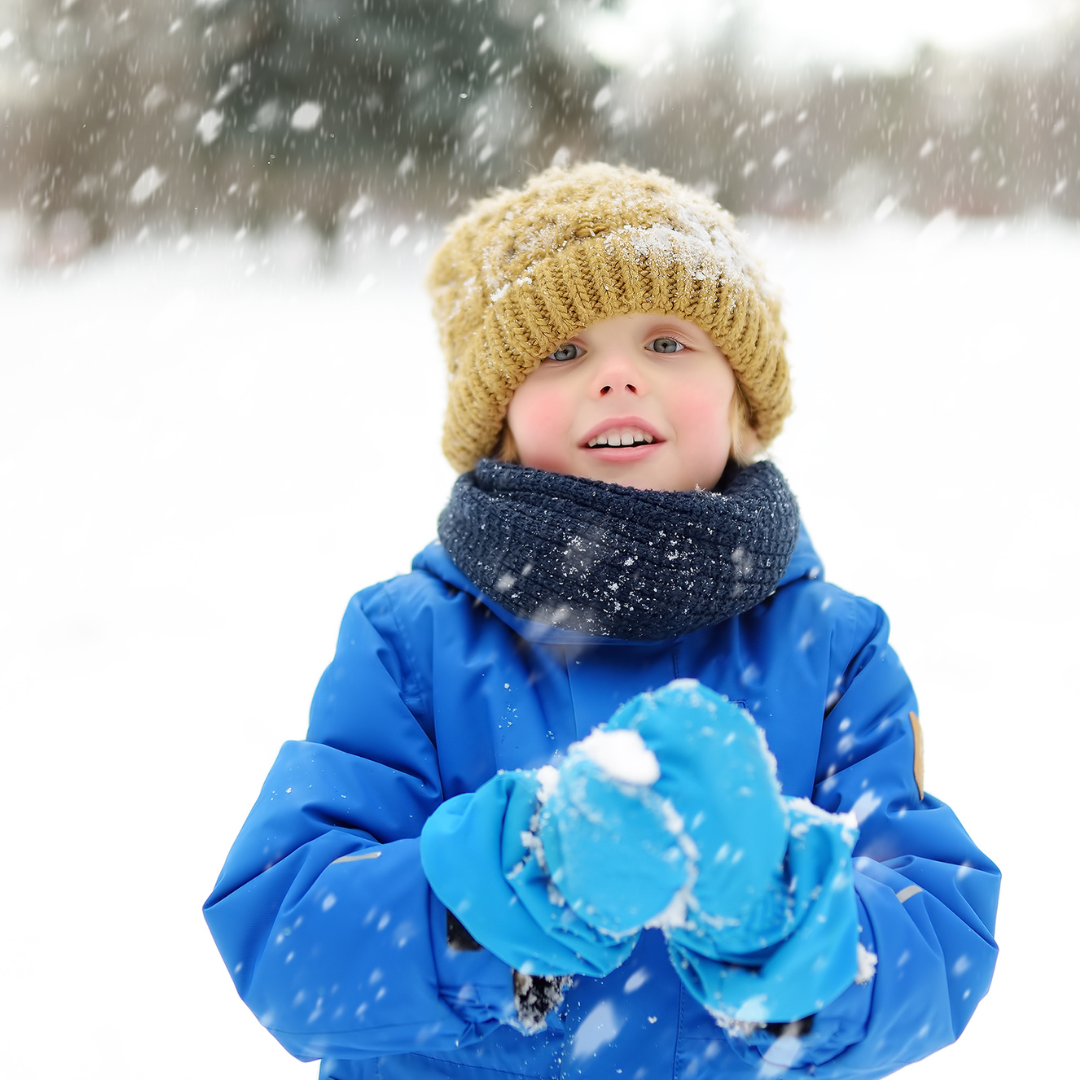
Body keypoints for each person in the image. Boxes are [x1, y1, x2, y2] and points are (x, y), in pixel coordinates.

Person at [203, 163, 999, 1080]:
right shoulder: (407, 643)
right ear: (498, 418)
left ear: (742, 402)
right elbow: (289, 945)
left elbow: (937, 945)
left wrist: (781, 921)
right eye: (562, 350)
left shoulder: (832, 652)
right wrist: (514, 887)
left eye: (667, 342)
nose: (618, 376)